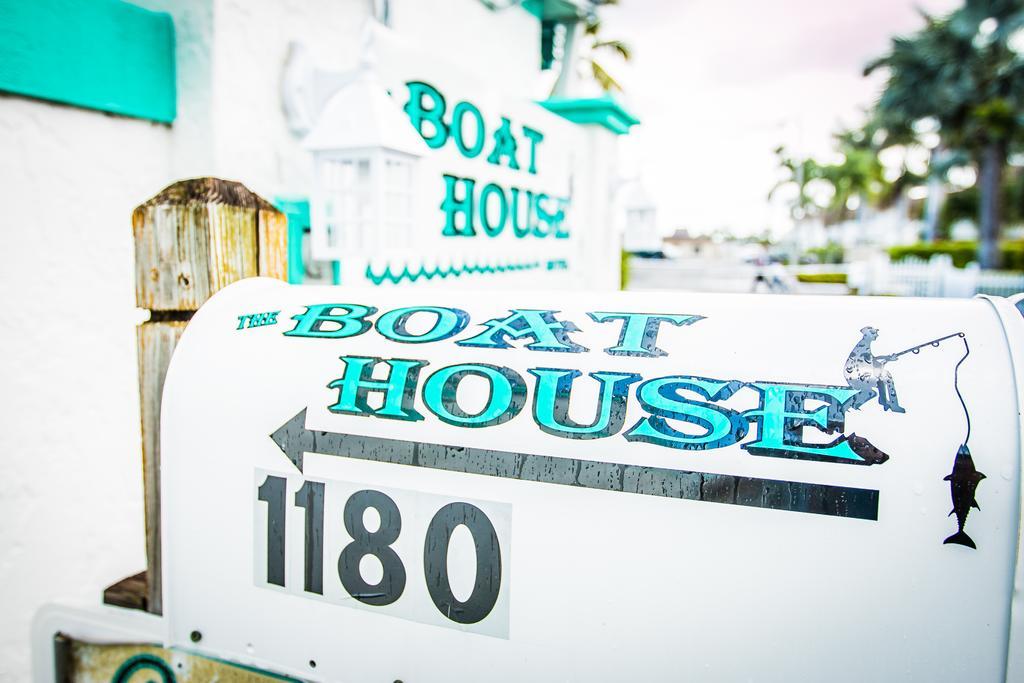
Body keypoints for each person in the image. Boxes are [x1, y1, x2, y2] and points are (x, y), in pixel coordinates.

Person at [844, 326, 905, 413]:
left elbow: (872, 359)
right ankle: (894, 405)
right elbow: (872, 363)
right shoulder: (863, 345)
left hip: (859, 375)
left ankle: (883, 400)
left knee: (880, 378)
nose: (876, 335)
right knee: (886, 376)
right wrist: (887, 359)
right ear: (866, 335)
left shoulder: (864, 345)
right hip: (857, 376)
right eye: (873, 333)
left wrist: (887, 358)